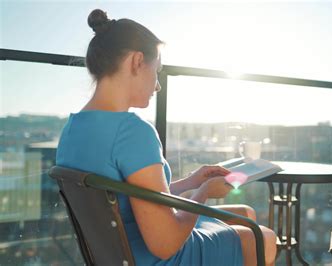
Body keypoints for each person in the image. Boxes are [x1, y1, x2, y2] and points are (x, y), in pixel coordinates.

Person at [56, 9, 277, 266]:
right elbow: (165, 244)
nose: (158, 85)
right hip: (152, 257)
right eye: (157, 71)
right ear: (137, 62)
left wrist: (190, 182)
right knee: (264, 238)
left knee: (244, 213)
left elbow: (125, 198)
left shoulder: (72, 129)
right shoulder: (132, 132)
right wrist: (203, 192)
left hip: (116, 252)